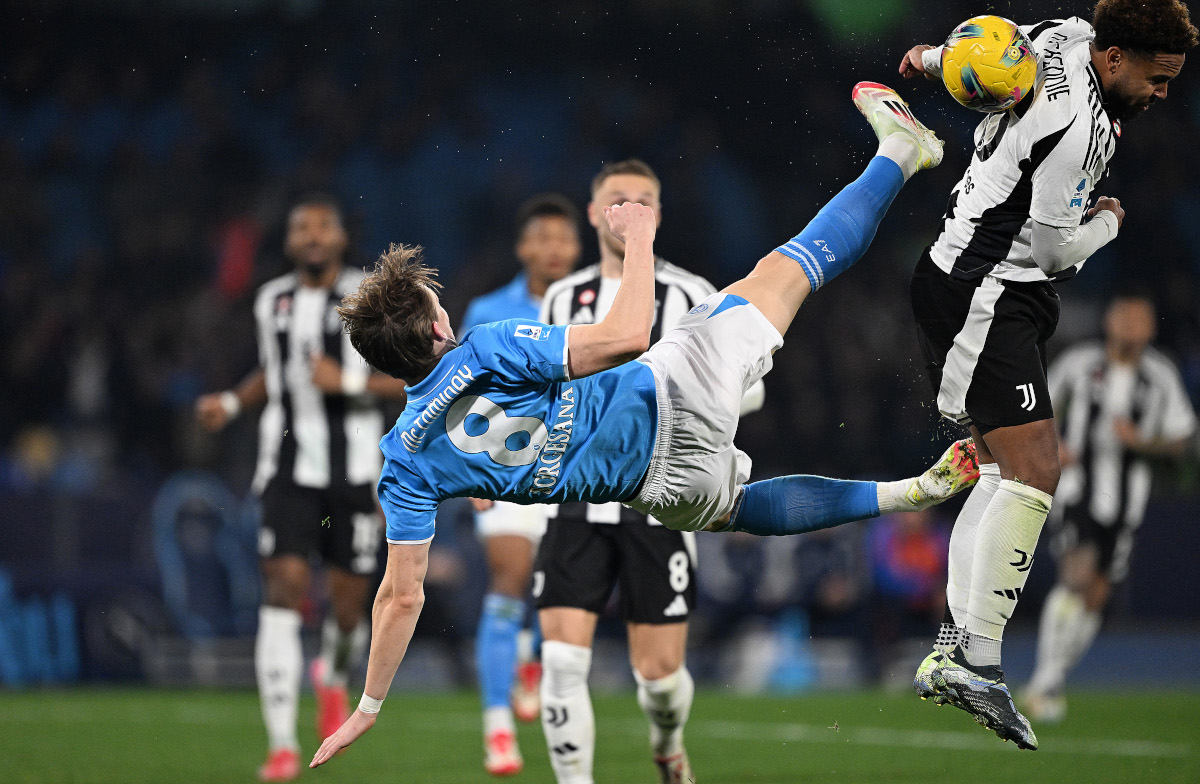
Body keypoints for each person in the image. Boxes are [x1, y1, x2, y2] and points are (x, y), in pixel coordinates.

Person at [310, 81, 978, 771]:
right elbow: (628, 335)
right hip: (672, 392)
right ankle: (901, 153)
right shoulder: (486, 347)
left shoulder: (403, 460)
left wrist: (369, 707)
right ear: (436, 325)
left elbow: (400, 594)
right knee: (790, 268)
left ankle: (905, 495)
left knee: (737, 509)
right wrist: (638, 240)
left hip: (657, 489)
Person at [897, 0, 1196, 750]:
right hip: (986, 289)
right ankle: (977, 659)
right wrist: (1107, 221)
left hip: (987, 287)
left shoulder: (1062, 34)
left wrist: (930, 59)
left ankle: (957, 652)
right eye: (1156, 79)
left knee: (1003, 471)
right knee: (1037, 468)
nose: (1162, 95)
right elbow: (1061, 248)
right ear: (1116, 56)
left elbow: (986, 54)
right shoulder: (1075, 125)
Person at [534, 158, 765, 784]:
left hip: (659, 499)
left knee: (659, 680)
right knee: (559, 662)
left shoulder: (694, 295)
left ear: (657, 216)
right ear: (593, 212)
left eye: (643, 200)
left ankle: (667, 747)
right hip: (575, 497)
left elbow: (749, 390)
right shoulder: (561, 296)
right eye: (617, 200)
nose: (630, 210)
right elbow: (542, 389)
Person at [195, 193, 408, 782]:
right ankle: (282, 745)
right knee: (284, 585)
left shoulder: (373, 296)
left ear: (341, 238)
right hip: (286, 471)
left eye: (323, 227)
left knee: (346, 605)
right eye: (301, 228)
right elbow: (276, 369)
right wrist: (233, 402)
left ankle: (334, 677)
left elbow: (414, 376)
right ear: (289, 243)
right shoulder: (272, 301)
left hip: (357, 473)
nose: (312, 236)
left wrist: (348, 382)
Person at [1023, 294, 1196, 722]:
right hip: (1079, 487)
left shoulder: (1160, 375)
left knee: (1097, 596)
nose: (1131, 325)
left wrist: (1141, 442)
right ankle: (1044, 682)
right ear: (1110, 321)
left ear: (1149, 329)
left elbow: (1184, 438)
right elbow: (1039, 406)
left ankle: (1050, 680)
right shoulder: (1080, 363)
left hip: (1127, 499)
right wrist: (1054, 445)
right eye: (1124, 316)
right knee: (1077, 576)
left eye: (1139, 319)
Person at [458, 193, 583, 776]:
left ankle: (529, 656)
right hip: (503, 465)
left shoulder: (590, 305)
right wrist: (472, 469)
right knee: (509, 578)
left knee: (552, 583)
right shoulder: (488, 309)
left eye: (565, 239)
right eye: (545, 238)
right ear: (523, 246)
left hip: (573, 468)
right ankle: (496, 730)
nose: (555, 248)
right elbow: (459, 391)